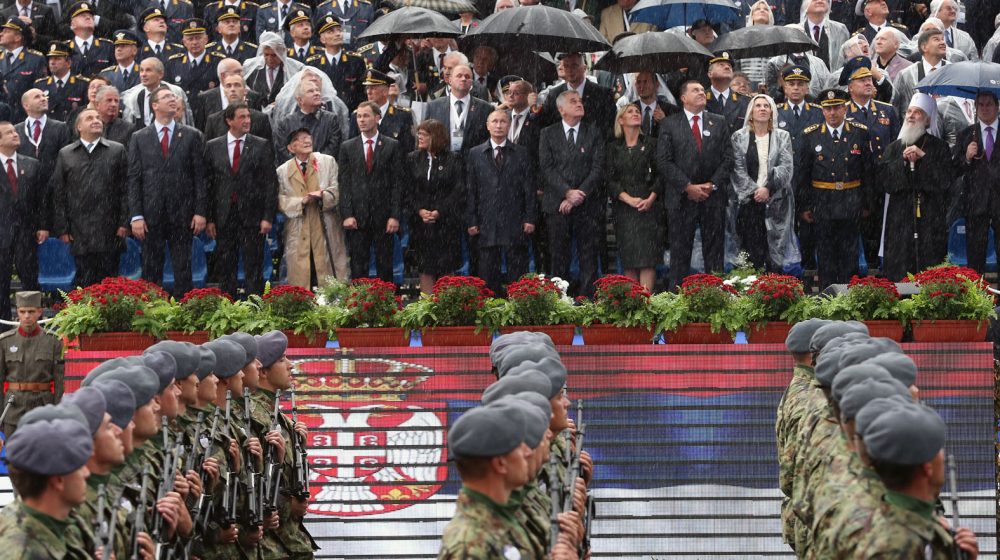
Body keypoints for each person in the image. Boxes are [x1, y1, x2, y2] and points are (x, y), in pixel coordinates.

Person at [853, 401, 980, 558]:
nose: (943, 455)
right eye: (938, 449)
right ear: (928, 468)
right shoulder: (899, 546)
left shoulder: (870, 522)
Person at [127, 85, 207, 298]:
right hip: (151, 214)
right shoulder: (139, 137)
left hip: (183, 214)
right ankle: (153, 313)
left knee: (183, 267)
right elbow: (134, 179)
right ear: (154, 105)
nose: (173, 99)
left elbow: (200, 177)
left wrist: (200, 211)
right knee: (151, 268)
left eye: (174, 96)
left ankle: (184, 314)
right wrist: (136, 215)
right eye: (166, 97)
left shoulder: (192, 136)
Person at [657, 80, 734, 289]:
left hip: (713, 198)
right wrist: (687, 186)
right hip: (681, 199)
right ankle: (677, 301)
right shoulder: (669, 124)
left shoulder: (718, 122)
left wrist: (712, 184)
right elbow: (663, 161)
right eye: (695, 90)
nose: (701, 92)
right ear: (683, 98)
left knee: (714, 254)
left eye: (702, 89)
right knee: (680, 254)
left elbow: (728, 158)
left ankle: (716, 297)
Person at [437, 404, 540, 559]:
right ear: (500, 464)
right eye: (519, 447)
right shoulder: (469, 546)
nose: (527, 452)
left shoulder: (501, 518)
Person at [794, 89, 874, 287]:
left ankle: (849, 299)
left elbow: (868, 172)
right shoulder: (810, 135)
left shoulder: (860, 132)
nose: (832, 113)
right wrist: (804, 206)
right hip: (823, 202)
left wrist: (868, 203)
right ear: (822, 111)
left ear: (845, 108)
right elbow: (802, 174)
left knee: (850, 256)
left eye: (837, 107)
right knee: (826, 256)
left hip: (851, 200)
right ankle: (826, 298)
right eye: (828, 108)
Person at [205, 102, 278, 297]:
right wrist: (210, 218)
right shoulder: (213, 146)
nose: (247, 121)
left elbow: (270, 184)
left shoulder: (261, 145)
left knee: (254, 267)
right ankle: (228, 310)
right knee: (226, 267)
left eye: (248, 117)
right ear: (229, 121)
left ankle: (254, 310)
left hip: (252, 217)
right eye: (242, 117)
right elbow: (209, 185)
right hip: (224, 216)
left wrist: (268, 217)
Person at [879, 93, 954, 280]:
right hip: (900, 219)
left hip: (930, 218)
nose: (911, 116)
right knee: (900, 267)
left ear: (928, 120)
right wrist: (902, 162)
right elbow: (886, 182)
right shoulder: (894, 148)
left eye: (918, 113)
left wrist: (924, 157)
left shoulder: (939, 147)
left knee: (930, 267)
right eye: (909, 112)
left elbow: (944, 181)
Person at [51, 108, 128, 287]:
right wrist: (62, 228)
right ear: (79, 127)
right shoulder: (66, 153)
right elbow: (59, 193)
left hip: (110, 228)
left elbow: (125, 189)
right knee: (84, 282)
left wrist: (124, 222)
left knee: (109, 284)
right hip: (79, 230)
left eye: (98, 118)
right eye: (89, 118)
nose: (96, 121)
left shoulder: (117, 150)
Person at [539, 90, 605, 297]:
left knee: (588, 256)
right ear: (561, 109)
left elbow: (598, 167)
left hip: (587, 204)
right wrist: (567, 192)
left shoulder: (593, 132)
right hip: (557, 204)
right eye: (573, 101)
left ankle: (587, 300)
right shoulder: (547, 133)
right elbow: (547, 168)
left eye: (580, 100)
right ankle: (560, 301)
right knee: (559, 256)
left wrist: (579, 194)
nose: (579, 104)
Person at [0, 418, 94, 557]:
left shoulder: (63, 525)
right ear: (58, 480)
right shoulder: (25, 553)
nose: (86, 473)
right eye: (78, 467)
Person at [466, 110, 535, 296]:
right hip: (486, 219)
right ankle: (492, 309)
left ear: (509, 125)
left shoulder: (521, 153)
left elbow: (529, 188)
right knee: (488, 271)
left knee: (518, 270)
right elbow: (471, 190)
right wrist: (472, 220)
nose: (498, 125)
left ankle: (519, 307)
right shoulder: (475, 154)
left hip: (515, 218)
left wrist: (530, 217)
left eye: (503, 121)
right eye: (494, 121)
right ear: (487, 126)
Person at [338, 101, 403, 282]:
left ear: (377, 118)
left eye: (366, 116)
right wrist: (347, 214)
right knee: (359, 266)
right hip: (357, 218)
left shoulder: (392, 145)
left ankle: (387, 304)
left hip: (384, 216)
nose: (362, 120)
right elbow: (344, 184)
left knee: (385, 266)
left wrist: (395, 215)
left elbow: (397, 183)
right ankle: (360, 305)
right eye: (359, 116)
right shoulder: (347, 147)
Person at [731, 94, 796, 272]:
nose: (762, 109)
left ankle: (775, 291)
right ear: (750, 112)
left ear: (772, 111)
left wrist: (768, 189)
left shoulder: (783, 136)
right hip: (748, 202)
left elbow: (786, 167)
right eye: (758, 105)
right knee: (750, 251)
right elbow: (738, 169)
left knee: (775, 252)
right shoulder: (738, 137)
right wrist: (755, 191)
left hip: (777, 201)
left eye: (766, 106)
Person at [279, 127, 348, 285]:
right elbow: (280, 199)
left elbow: (338, 188)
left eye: (307, 136)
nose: (306, 140)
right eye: (299, 138)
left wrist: (323, 195)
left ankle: (330, 305)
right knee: (301, 272)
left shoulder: (327, 161)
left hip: (325, 223)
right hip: (298, 226)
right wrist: (300, 202)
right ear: (291, 148)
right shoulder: (282, 171)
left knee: (328, 270)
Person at [406, 119, 464, 294]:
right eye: (419, 134)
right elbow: (408, 190)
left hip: (446, 223)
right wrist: (420, 210)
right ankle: (427, 308)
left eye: (424, 135)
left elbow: (458, 191)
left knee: (447, 266)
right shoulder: (413, 159)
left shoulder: (453, 159)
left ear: (436, 136)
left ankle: (448, 307)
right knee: (425, 266)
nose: (420, 138)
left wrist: (440, 211)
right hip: (421, 224)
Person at [607, 104, 661, 291]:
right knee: (629, 259)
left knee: (647, 259)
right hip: (624, 209)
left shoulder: (652, 144)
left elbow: (661, 174)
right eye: (630, 111)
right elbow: (609, 179)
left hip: (649, 208)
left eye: (637, 111)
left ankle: (646, 303)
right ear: (620, 120)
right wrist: (627, 199)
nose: (635, 113)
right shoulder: (613, 148)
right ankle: (632, 305)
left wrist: (651, 198)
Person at [0, 291, 63, 436]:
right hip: (13, 409)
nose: (27, 316)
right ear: (17, 312)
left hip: (42, 408)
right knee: (14, 456)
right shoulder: (5, 341)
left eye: (31, 311)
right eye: (22, 312)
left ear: (39, 312)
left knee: (42, 455)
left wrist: (58, 411)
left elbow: (60, 382)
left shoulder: (53, 341)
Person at [954, 92, 1000, 275]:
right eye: (981, 105)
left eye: (989, 104)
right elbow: (954, 168)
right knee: (975, 253)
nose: (985, 108)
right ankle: (977, 295)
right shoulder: (966, 134)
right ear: (975, 108)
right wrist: (966, 157)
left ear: (997, 107)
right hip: (975, 201)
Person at [423, 63, 492, 159]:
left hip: (473, 163)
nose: (463, 79)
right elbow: (425, 135)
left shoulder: (485, 108)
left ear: (472, 82)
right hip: (442, 162)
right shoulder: (434, 106)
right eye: (459, 76)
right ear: (450, 80)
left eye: (467, 77)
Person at [272, 75, 342, 162]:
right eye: (310, 91)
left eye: (317, 90)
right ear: (300, 100)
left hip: (323, 169)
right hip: (295, 172)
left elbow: (333, 147)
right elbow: (282, 150)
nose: (317, 93)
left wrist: (315, 163)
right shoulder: (286, 123)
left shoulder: (331, 120)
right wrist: (300, 164)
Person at [541, 53, 615, 135]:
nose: (570, 70)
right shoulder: (554, 95)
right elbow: (545, 124)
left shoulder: (603, 94)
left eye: (574, 66)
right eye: (566, 66)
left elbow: (609, 128)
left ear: (584, 68)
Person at [307, 14, 366, 112]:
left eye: (339, 30)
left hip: (350, 112)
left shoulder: (356, 61)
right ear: (322, 39)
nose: (338, 34)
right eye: (331, 32)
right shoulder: (313, 64)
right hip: (323, 114)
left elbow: (362, 93)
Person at [16, 88, 71, 190]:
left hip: (53, 187)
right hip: (25, 188)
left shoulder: (61, 127)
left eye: (44, 96)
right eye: (37, 97)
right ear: (26, 105)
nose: (43, 99)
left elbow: (65, 158)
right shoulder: (16, 130)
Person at [347, 68, 414, 154]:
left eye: (373, 88)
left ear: (385, 92)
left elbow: (408, 149)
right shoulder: (357, 115)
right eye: (367, 88)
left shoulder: (403, 116)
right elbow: (352, 149)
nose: (369, 92)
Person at [891, 28, 948, 120]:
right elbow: (895, 107)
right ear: (924, 47)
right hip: (915, 129)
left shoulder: (953, 70)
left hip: (948, 129)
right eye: (936, 39)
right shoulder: (906, 74)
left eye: (942, 39)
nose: (942, 42)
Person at [121, 57, 193, 127]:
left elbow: (184, 122)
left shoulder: (174, 92)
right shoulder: (134, 96)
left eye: (148, 70)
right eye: (141, 70)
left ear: (160, 74)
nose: (143, 74)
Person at [165, 18, 224, 100]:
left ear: (206, 39)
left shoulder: (218, 61)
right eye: (190, 39)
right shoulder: (173, 63)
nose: (194, 42)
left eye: (198, 38)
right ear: (184, 42)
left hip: (209, 109)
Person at [0, 18, 46, 123]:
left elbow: (40, 89)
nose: (1, 34)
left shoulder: (35, 59)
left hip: (23, 116)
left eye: (6, 32)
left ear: (18, 37)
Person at [203, 73, 273, 141]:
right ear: (224, 91)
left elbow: (268, 149)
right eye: (228, 86)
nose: (232, 89)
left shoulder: (261, 119)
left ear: (245, 91)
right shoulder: (213, 120)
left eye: (237, 85)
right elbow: (208, 150)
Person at [32, 42, 89, 124]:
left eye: (57, 58)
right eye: (50, 59)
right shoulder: (40, 84)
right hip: (49, 129)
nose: (52, 62)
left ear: (68, 63)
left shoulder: (82, 84)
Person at [61, 2, 112, 79]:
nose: (88, 18)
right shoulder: (64, 49)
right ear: (72, 24)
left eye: (91, 16)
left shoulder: (107, 46)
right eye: (82, 16)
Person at [706, 52, 752, 135]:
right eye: (721, 65)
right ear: (710, 74)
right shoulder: (700, 99)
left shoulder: (746, 101)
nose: (727, 67)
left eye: (729, 66)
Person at [801, 0, 850, 70]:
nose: (820, 0)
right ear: (805, 5)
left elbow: (845, 60)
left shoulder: (840, 30)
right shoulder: (796, 31)